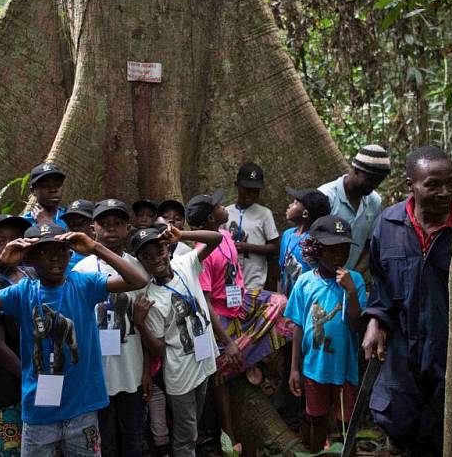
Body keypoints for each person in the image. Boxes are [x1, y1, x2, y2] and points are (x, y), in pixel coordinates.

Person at [361, 146, 452, 455]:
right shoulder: (388, 224)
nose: (446, 192)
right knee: (394, 418)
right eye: (433, 184)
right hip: (401, 347)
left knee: (437, 430)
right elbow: (381, 283)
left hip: (448, 350)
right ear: (410, 186)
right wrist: (375, 319)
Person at [0, 223, 148, 456]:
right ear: (30, 258)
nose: (54, 256)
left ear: (69, 253)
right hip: (39, 412)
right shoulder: (22, 292)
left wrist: (95, 247)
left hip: (82, 409)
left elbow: (138, 280)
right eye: (44, 251)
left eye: (60, 249)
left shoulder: (84, 284)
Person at [187, 190, 291, 443]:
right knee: (220, 377)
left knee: (282, 306)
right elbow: (206, 304)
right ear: (211, 218)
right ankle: (229, 436)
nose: (226, 207)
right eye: (219, 206)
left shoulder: (225, 235)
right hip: (222, 316)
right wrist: (228, 340)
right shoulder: (203, 252)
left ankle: (243, 354)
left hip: (243, 302)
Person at [130, 224, 238, 457]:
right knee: (186, 434)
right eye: (146, 257)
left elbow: (217, 238)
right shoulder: (150, 297)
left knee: (192, 427)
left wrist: (183, 235)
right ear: (140, 261)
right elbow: (158, 349)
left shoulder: (184, 264)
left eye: (159, 251)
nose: (155, 259)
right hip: (180, 373)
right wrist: (140, 323)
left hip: (204, 359)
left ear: (168, 249)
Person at [284, 216, 367, 453]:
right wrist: (294, 369)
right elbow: (298, 327)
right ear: (318, 250)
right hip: (314, 369)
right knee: (316, 419)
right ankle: (316, 451)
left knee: (346, 425)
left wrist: (350, 292)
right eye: (332, 251)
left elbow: (354, 324)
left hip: (345, 369)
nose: (339, 257)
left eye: (343, 251)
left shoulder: (356, 281)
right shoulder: (304, 282)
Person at [73, 199, 148, 457]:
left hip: (132, 367)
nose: (111, 230)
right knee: (103, 439)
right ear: (93, 228)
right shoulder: (80, 270)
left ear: (128, 228)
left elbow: (145, 322)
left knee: (134, 436)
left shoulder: (137, 267)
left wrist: (148, 370)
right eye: (104, 225)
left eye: (117, 224)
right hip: (96, 372)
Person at [0, 214, 34, 456]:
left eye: (15, 239)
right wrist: (28, 375)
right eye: (0, 241)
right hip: (9, 377)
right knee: (10, 441)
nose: (9, 246)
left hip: (39, 367)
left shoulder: (34, 275)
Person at [318, 145, 391, 273]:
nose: (374, 185)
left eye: (379, 181)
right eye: (370, 180)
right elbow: (310, 243)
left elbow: (371, 244)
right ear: (356, 170)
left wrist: (354, 276)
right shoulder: (326, 196)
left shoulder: (374, 201)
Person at [223, 163, 279, 291]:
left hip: (255, 280)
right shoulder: (226, 213)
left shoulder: (264, 214)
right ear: (237, 185)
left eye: (255, 190)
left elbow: (275, 247)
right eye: (246, 189)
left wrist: (248, 247)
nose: (251, 194)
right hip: (228, 279)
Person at [278, 188, 331, 297]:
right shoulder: (287, 234)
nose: (289, 205)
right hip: (285, 298)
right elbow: (281, 270)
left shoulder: (315, 240)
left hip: (307, 298)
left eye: (295, 203)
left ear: (305, 213)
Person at [23, 162, 68, 229]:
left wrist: (46, 223)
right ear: (33, 191)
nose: (53, 190)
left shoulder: (71, 217)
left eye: (57, 185)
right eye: (45, 186)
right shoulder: (23, 222)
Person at [60, 199, 96, 270]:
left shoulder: (105, 255)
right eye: (70, 223)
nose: (75, 228)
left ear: (94, 225)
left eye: (81, 222)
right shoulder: (62, 258)